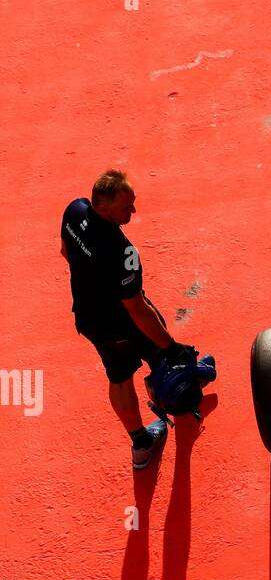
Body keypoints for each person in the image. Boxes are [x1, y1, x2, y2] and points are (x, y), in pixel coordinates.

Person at [61, 170, 194, 468]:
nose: (133, 211)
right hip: (120, 322)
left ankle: (141, 444)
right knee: (160, 350)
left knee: (117, 376)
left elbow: (65, 252)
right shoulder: (124, 253)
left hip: (88, 317)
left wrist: (91, 278)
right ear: (103, 207)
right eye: (126, 207)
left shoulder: (74, 211)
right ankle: (179, 393)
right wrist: (173, 348)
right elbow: (137, 309)